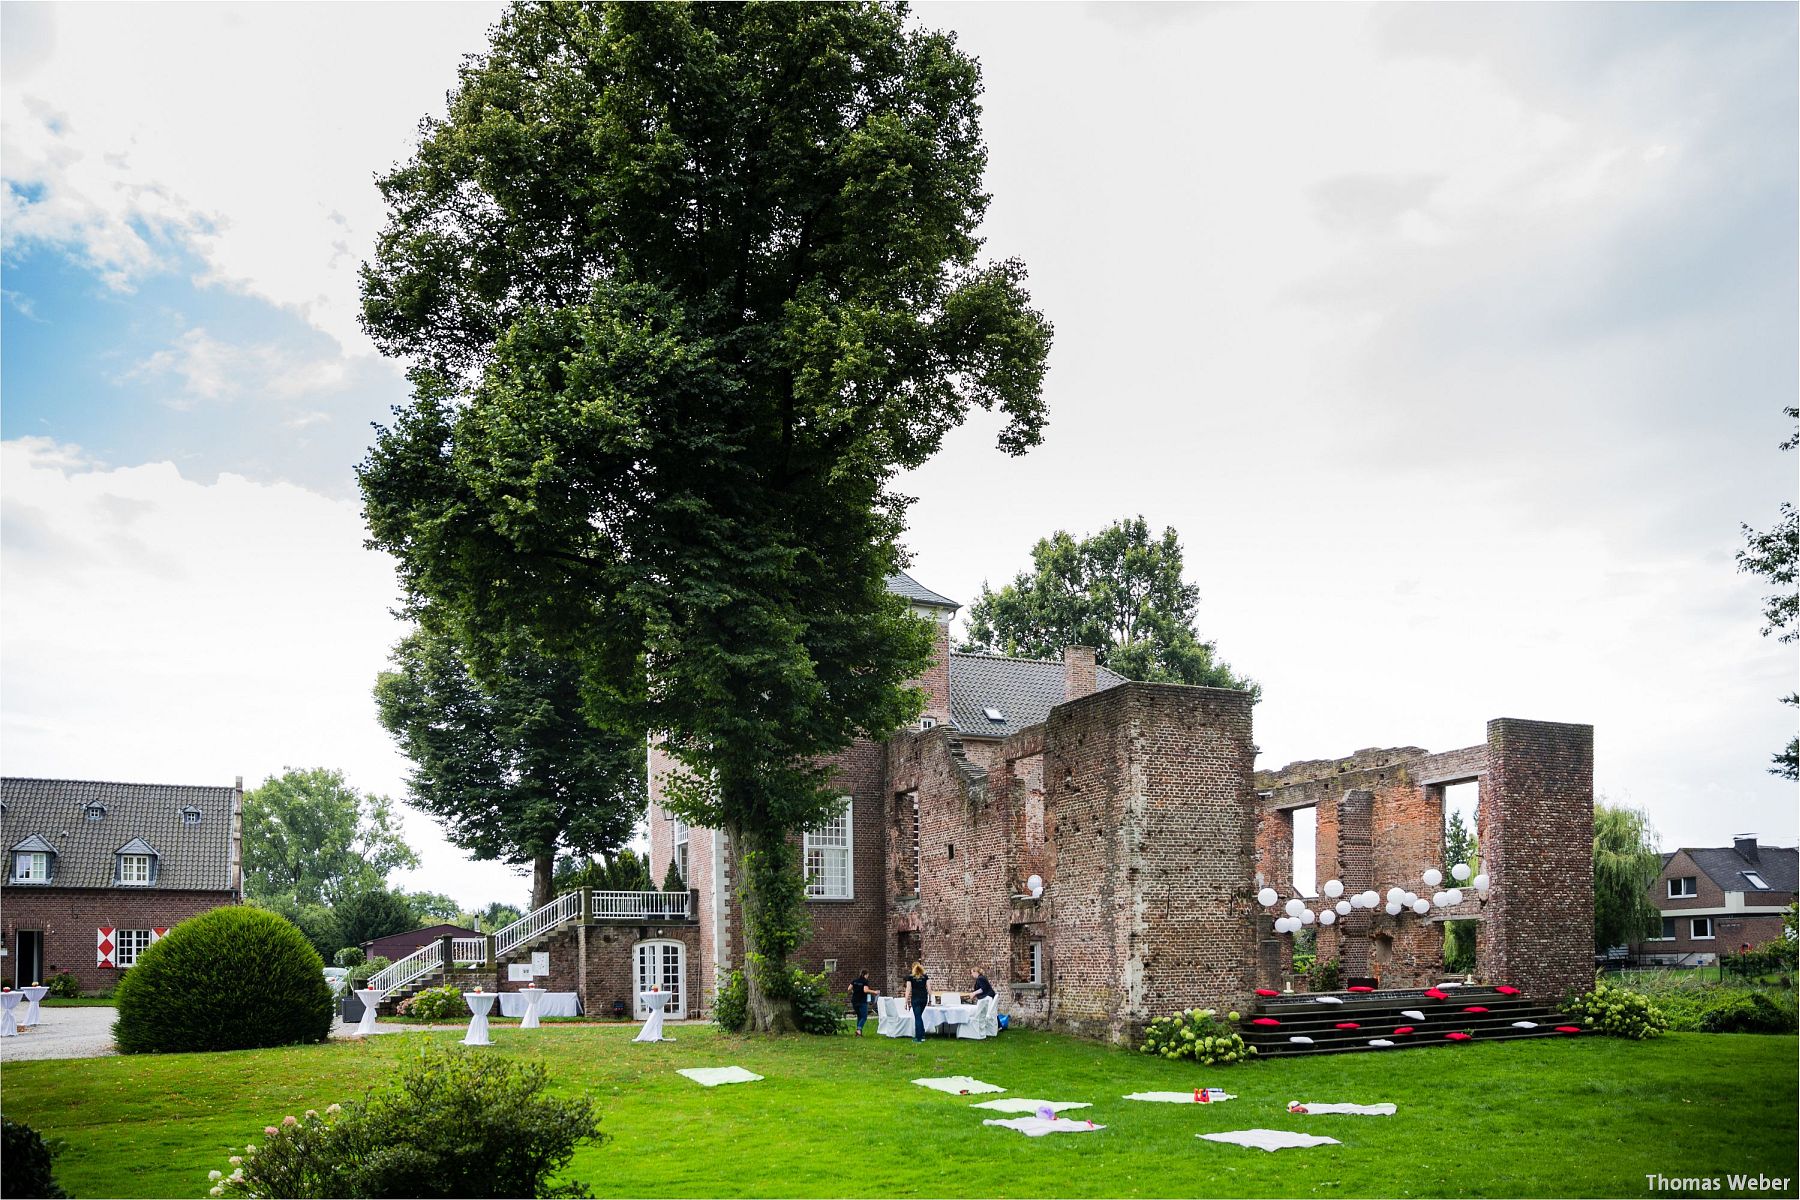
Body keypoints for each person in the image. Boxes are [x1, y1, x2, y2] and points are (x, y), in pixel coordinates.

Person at [848, 970, 879, 1036]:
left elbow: (849, 989)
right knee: (864, 1017)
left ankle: (858, 1033)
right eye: (868, 975)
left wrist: (855, 992)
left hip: (854, 1001)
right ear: (866, 974)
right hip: (862, 1001)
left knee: (859, 1016)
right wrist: (874, 992)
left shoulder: (855, 980)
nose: (868, 977)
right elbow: (865, 990)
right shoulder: (865, 981)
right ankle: (859, 1030)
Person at [907, 961, 930, 1042]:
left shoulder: (911, 977)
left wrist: (906, 1001)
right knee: (919, 1016)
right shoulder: (925, 976)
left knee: (917, 1017)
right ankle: (922, 1034)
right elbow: (929, 989)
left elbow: (908, 990)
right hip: (924, 998)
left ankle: (918, 1038)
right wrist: (930, 999)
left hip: (915, 999)